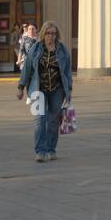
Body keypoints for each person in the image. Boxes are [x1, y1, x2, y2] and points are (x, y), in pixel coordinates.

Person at [16, 21, 73, 162]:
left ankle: (51, 149)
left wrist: (69, 89)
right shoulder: (35, 49)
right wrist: (20, 87)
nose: (51, 36)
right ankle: (40, 151)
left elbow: (67, 72)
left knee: (53, 122)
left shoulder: (62, 50)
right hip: (37, 89)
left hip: (57, 90)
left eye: (53, 33)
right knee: (39, 121)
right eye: (48, 33)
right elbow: (27, 69)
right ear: (43, 34)